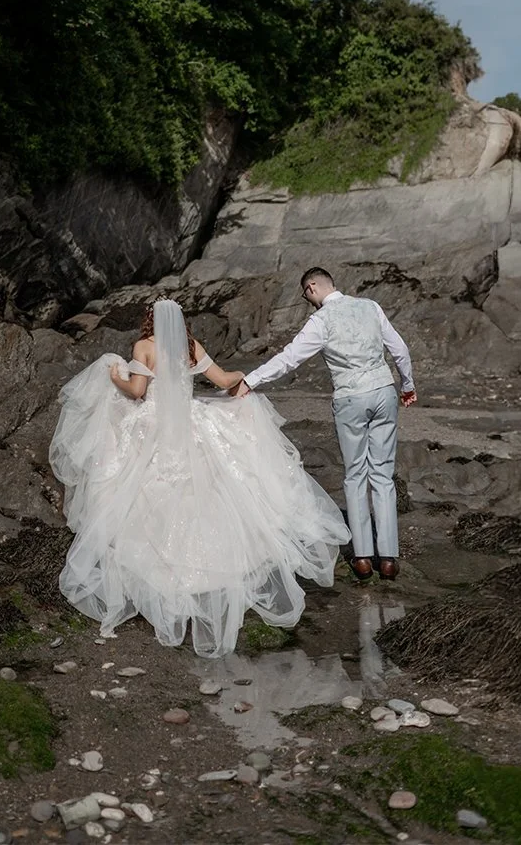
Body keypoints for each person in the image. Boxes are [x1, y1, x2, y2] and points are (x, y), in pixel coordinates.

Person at [49, 298, 350, 657]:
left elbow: (137, 392)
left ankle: (161, 577)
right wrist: (248, 385)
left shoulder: (143, 347)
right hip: (191, 424)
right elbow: (224, 380)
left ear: (151, 320)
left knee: (140, 490)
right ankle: (213, 572)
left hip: (156, 426)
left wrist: (115, 376)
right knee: (207, 491)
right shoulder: (191, 347)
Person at [231, 267, 417, 581]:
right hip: (384, 391)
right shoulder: (371, 307)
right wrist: (407, 385)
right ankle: (388, 558)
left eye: (306, 294)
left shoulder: (321, 320)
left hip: (350, 397)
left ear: (313, 286)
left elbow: (290, 358)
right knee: (383, 475)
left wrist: (251, 380)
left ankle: (361, 558)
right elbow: (399, 349)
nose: (308, 301)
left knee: (356, 475)